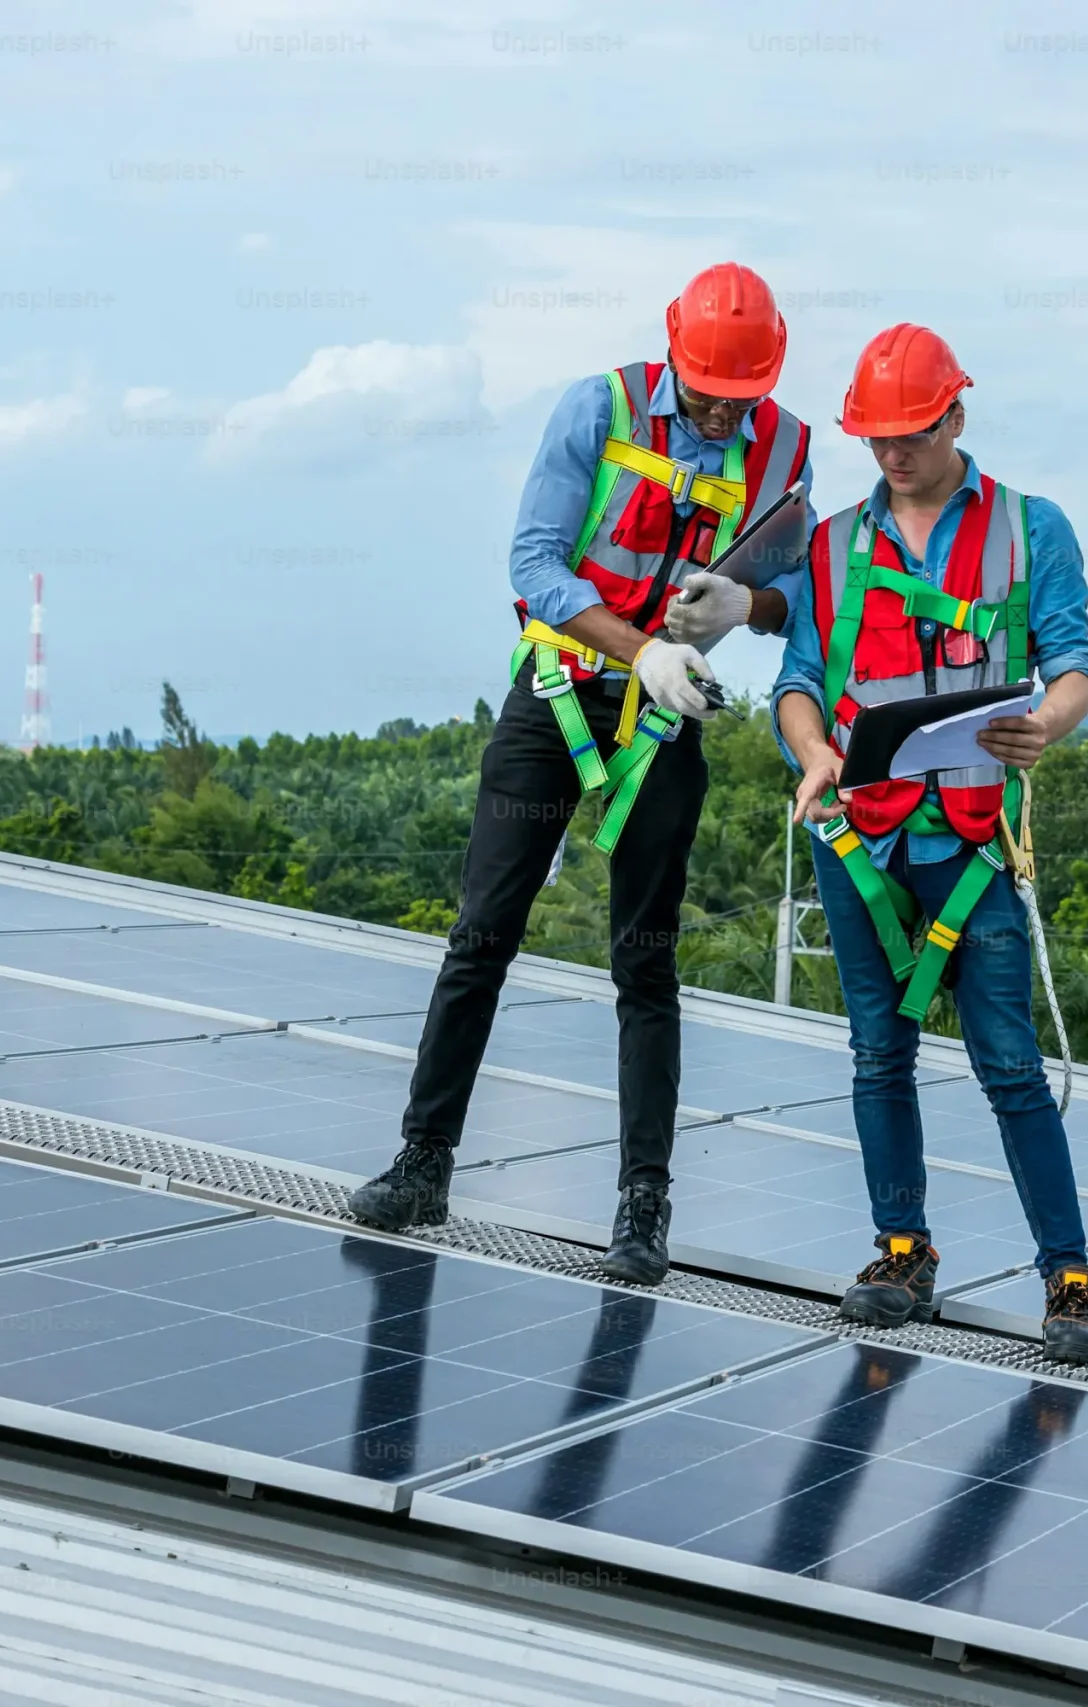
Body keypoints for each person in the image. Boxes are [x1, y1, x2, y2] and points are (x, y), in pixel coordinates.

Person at [350, 262, 815, 1287]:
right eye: (708, 392)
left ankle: (643, 1206)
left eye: (740, 397)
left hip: (666, 716)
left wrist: (745, 607)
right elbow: (534, 563)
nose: (721, 412)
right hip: (561, 690)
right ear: (675, 354)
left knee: (644, 960)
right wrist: (641, 649)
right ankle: (424, 1160)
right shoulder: (599, 409)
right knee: (484, 931)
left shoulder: (785, 449)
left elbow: (800, 596)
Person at [771, 323, 1088, 1365]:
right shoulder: (833, 545)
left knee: (1008, 1061)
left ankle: (1069, 1279)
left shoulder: (1029, 529)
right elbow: (798, 682)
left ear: (955, 416)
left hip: (971, 841)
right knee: (879, 1051)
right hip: (858, 842)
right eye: (876, 438)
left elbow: (1073, 665)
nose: (893, 455)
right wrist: (811, 752)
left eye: (911, 434)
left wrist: (1046, 724)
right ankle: (901, 1252)